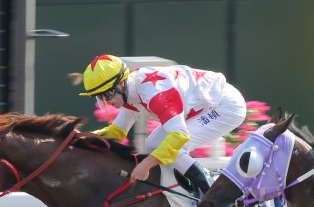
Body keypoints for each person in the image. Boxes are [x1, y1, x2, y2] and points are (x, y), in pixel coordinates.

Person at [79, 54, 247, 197]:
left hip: (225, 106)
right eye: (100, 98)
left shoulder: (155, 93)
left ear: (121, 84)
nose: (106, 102)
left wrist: (145, 165)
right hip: (207, 105)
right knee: (152, 144)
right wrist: (79, 138)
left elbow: (179, 136)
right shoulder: (129, 91)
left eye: (107, 95)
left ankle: (211, 194)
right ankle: (192, 190)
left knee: (171, 146)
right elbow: (117, 132)